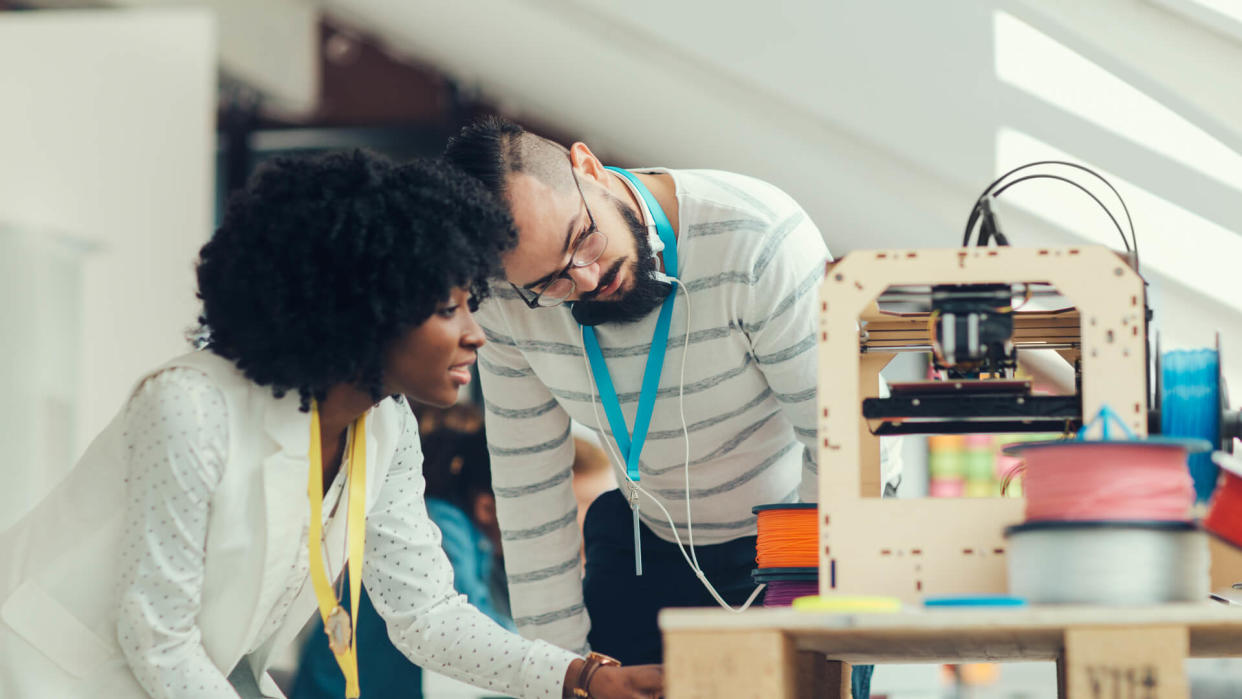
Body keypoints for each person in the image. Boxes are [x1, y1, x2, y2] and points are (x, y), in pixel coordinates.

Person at [0, 151, 662, 699]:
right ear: (363, 310)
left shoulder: (387, 428)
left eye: (472, 305)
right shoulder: (189, 406)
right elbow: (156, 636)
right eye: (445, 308)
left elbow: (425, 614)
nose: (475, 335)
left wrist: (581, 676)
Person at [445, 118, 900, 698]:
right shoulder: (506, 298)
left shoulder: (756, 236)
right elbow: (529, 487)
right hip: (645, 535)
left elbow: (845, 445)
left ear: (588, 167)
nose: (586, 280)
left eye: (582, 238)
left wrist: (794, 603)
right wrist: (563, 674)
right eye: (551, 282)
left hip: (800, 525)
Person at [290, 404, 514, 699]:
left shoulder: (468, 536)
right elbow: (470, 619)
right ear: (486, 507)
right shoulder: (444, 525)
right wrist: (559, 661)